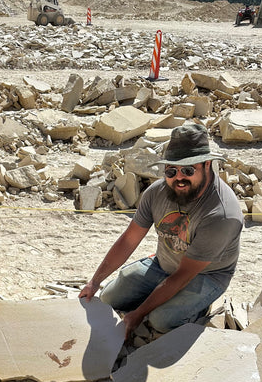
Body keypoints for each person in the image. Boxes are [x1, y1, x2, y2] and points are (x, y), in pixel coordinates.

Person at [79, 123, 243, 340]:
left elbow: (183, 275)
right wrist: (94, 281)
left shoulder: (221, 215)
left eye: (187, 170)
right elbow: (129, 240)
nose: (179, 178)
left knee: (161, 321)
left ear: (207, 165)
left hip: (206, 275)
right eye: (171, 171)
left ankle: (197, 309)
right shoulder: (157, 193)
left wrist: (138, 314)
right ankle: (159, 295)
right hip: (164, 263)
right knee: (108, 297)